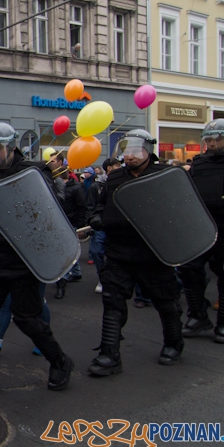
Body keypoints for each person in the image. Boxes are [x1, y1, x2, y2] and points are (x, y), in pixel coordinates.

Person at [0, 122, 73, 395]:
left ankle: (60, 361)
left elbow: (48, 212)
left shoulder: (34, 173)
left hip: (22, 260)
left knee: (26, 318)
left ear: (11, 147)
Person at [87, 129, 184, 376]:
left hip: (153, 253)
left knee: (165, 300)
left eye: (135, 150)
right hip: (119, 252)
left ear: (148, 150)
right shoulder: (115, 177)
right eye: (126, 151)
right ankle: (109, 354)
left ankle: (173, 343)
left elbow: (179, 210)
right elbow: (100, 206)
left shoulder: (164, 175)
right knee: (113, 302)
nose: (129, 156)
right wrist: (97, 217)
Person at [180, 119, 224, 343]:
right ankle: (198, 316)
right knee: (189, 269)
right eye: (209, 140)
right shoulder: (200, 162)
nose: (213, 144)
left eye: (217, 139)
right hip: (202, 223)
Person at [86, 158, 122, 293]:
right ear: (109, 168)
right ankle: (103, 277)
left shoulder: (123, 183)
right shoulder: (96, 186)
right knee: (97, 252)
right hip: (101, 224)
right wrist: (92, 220)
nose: (120, 168)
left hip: (117, 225)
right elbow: (90, 206)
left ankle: (114, 278)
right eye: (117, 166)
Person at [55, 156, 87, 299]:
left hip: (71, 222)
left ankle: (63, 280)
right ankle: (76, 272)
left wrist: (80, 225)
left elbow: (81, 206)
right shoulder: (56, 187)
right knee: (70, 249)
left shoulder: (75, 188)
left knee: (65, 251)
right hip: (59, 222)